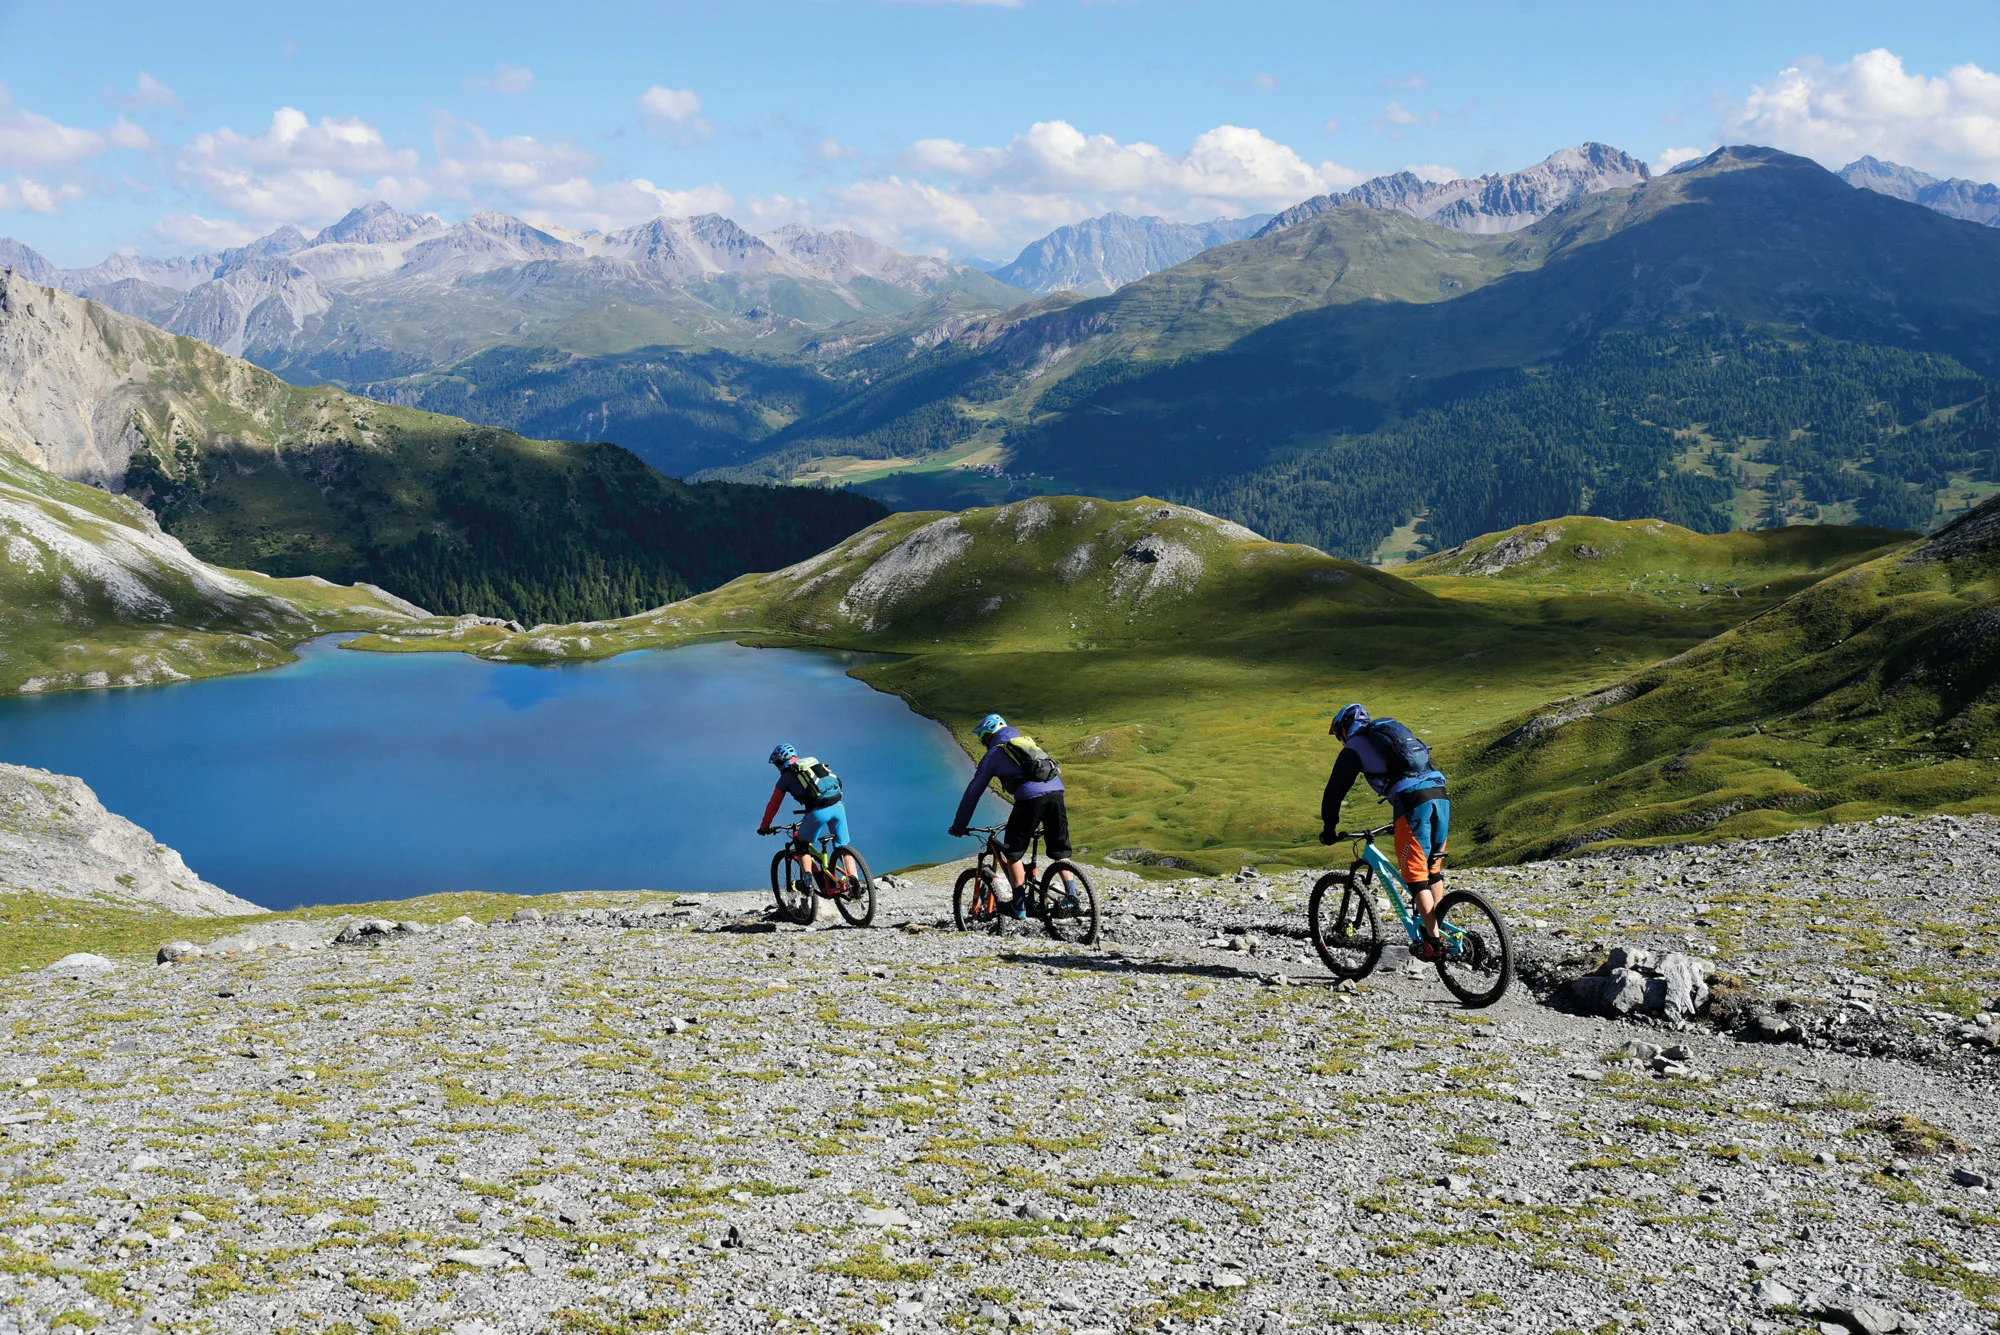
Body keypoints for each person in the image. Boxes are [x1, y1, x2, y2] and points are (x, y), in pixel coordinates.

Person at [1319, 703, 1452, 958]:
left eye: (1339, 735)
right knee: (1432, 868)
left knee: (1416, 876)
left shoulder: (1355, 746)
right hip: (1440, 795)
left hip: (1412, 802)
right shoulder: (1391, 734)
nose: (1340, 740)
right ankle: (1438, 928)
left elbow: (1335, 790)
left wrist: (1329, 828)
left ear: (1345, 729)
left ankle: (1433, 944)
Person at [948, 714, 1069, 919]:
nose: (983, 744)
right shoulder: (1027, 743)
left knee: (1013, 852)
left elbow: (973, 792)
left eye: (982, 740)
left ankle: (1019, 906)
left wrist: (959, 825)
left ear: (988, 736)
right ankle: (1073, 898)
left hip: (1030, 800)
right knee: (1060, 850)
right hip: (1057, 794)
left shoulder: (995, 753)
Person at [758, 744, 857, 881]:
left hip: (818, 812)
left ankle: (808, 881)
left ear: (780, 762)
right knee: (842, 846)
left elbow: (773, 805)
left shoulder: (786, 777)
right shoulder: (813, 765)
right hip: (838, 806)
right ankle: (854, 880)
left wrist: (764, 827)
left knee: (801, 845)